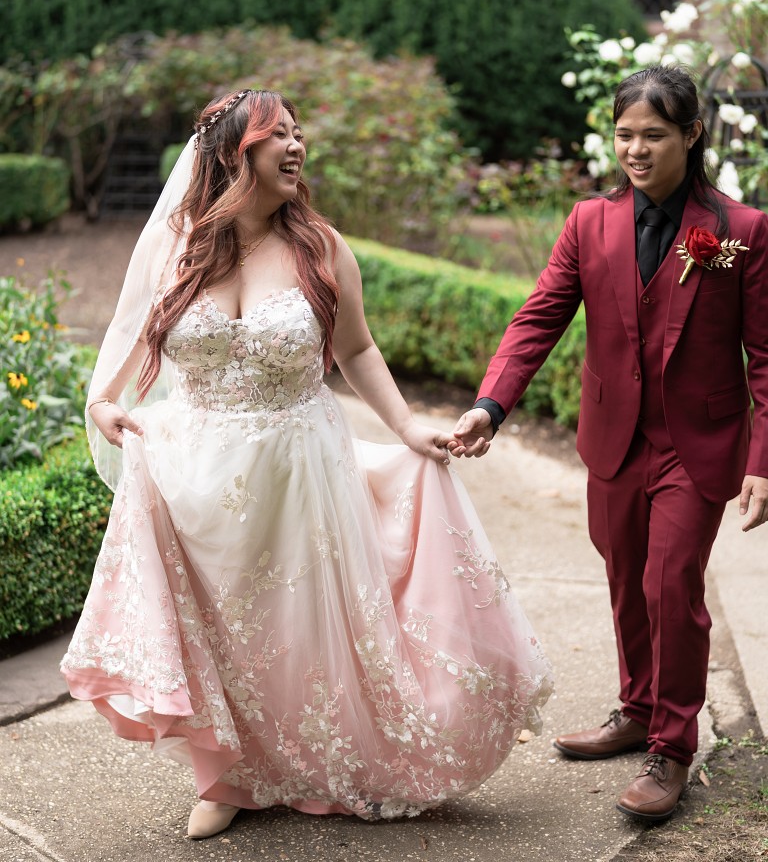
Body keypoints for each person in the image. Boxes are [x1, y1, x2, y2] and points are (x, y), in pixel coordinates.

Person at [61, 89, 553, 840]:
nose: (295, 147)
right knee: (216, 629)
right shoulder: (173, 244)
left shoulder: (320, 247)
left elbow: (354, 348)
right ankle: (228, 776)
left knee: (290, 627)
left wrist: (405, 425)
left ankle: (306, 762)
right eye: (277, 136)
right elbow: (125, 349)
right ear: (233, 153)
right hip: (192, 470)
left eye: (298, 135)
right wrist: (104, 407)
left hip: (297, 465)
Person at [452, 66, 768, 822]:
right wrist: (490, 406)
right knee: (627, 577)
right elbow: (539, 318)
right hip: (614, 439)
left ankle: (673, 747)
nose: (635, 148)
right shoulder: (589, 223)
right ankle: (636, 709)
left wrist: (763, 462)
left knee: (669, 584)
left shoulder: (740, 232)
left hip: (699, 444)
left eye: (652, 135)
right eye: (624, 133)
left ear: (691, 136)